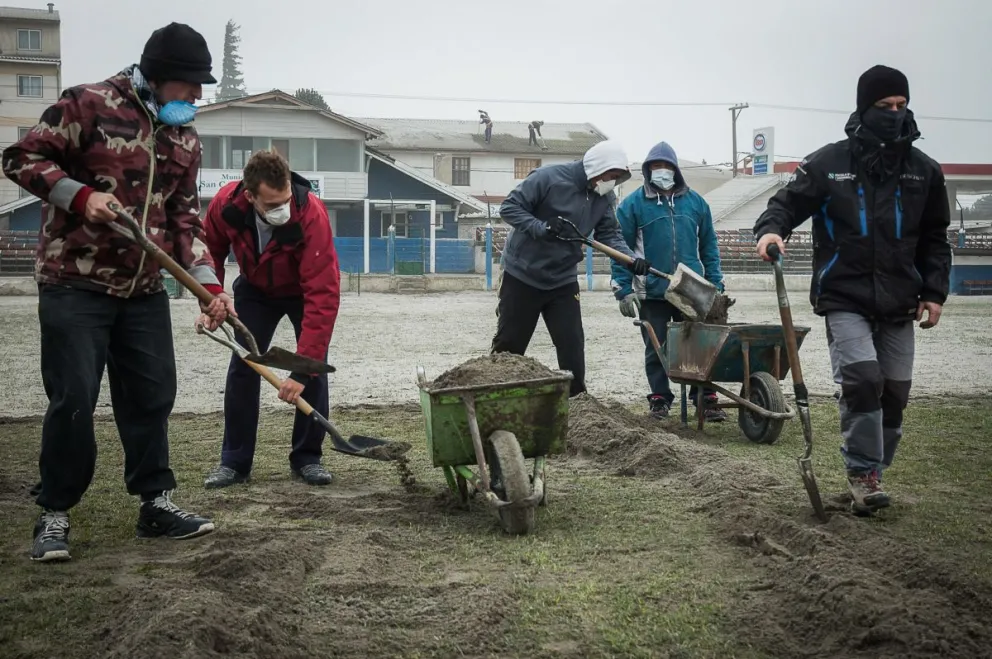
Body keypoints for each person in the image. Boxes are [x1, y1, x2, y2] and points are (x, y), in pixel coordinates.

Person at [1, 22, 229, 563]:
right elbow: (21, 159)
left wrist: (210, 286)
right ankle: (55, 512)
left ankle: (156, 503)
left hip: (144, 291)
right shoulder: (87, 105)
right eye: (191, 84)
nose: (197, 96)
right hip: (74, 284)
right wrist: (78, 197)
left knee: (152, 397)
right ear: (158, 74)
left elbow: (184, 217)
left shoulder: (184, 137)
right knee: (74, 399)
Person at [753, 65, 951, 513]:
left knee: (894, 393)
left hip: (901, 298)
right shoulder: (829, 164)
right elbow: (785, 206)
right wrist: (770, 232)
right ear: (865, 107)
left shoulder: (924, 172)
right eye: (884, 107)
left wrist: (934, 292)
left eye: (901, 106)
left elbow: (935, 238)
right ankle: (863, 473)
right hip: (844, 295)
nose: (895, 114)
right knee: (863, 380)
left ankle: (873, 469)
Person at [197, 150, 341, 489]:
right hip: (255, 288)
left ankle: (308, 457)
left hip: (304, 291)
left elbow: (322, 295)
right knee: (243, 366)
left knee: (313, 367)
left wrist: (301, 370)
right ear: (249, 196)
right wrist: (212, 294)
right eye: (273, 204)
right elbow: (208, 251)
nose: (283, 209)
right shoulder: (226, 206)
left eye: (286, 200)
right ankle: (234, 461)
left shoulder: (311, 215)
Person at [492, 139, 650, 397]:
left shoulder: (604, 197)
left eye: (618, 178)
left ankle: (578, 404)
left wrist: (631, 259)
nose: (613, 182)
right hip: (522, 274)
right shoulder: (547, 178)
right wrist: (541, 228)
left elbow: (610, 234)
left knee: (571, 344)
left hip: (562, 280)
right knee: (510, 343)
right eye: (612, 176)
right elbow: (509, 207)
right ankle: (492, 395)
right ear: (597, 168)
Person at [610, 141, 727, 421]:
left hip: (693, 289)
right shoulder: (633, 205)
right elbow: (620, 249)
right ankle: (660, 399)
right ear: (648, 171)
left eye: (666, 166)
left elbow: (709, 245)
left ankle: (704, 397)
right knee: (657, 345)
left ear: (675, 170)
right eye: (655, 167)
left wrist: (715, 281)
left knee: (701, 343)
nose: (661, 171)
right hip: (653, 289)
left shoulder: (696, 203)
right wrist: (622, 287)